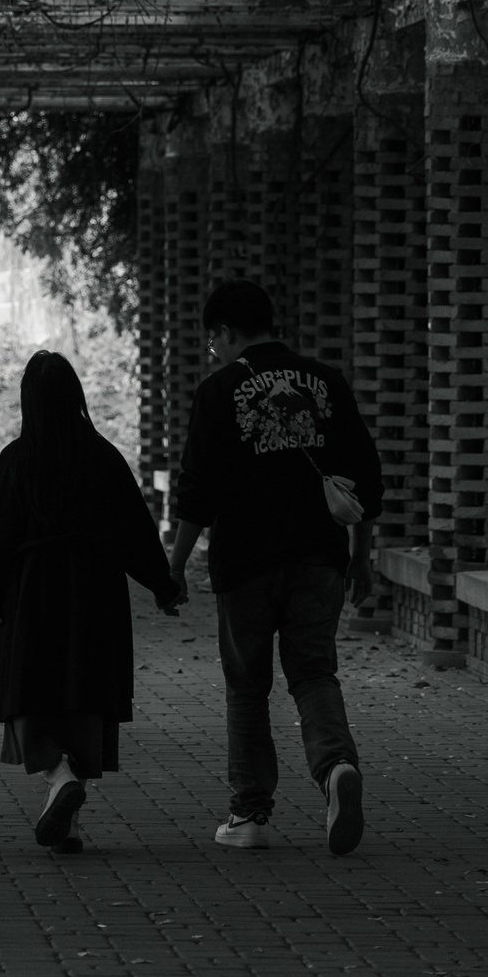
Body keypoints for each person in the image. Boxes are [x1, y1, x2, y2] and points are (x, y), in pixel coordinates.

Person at [167, 278, 384, 856]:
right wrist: (360, 556)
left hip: (246, 563)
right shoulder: (327, 382)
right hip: (320, 557)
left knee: (247, 687)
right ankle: (336, 769)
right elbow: (364, 477)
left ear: (228, 333)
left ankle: (250, 815)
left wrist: (177, 563)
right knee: (313, 673)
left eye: (213, 340)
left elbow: (197, 490)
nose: (214, 350)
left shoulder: (218, 391)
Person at [0, 352, 181, 853]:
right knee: (83, 690)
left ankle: (58, 775)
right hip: (95, 590)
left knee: (31, 691)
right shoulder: (104, 457)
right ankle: (70, 817)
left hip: (31, 590)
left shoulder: (18, 459)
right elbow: (134, 530)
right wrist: (163, 586)